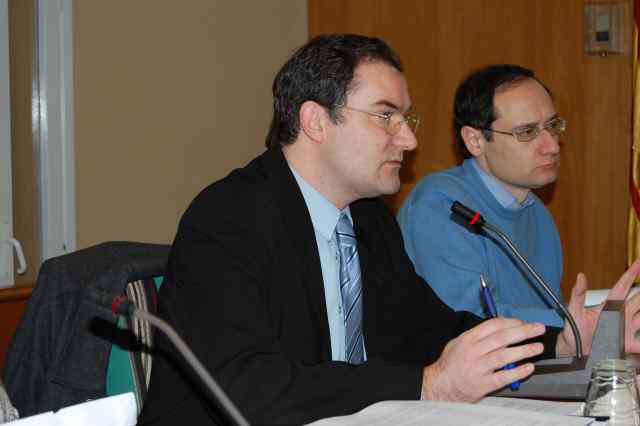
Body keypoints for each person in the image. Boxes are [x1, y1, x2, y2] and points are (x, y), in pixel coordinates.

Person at [139, 36, 640, 425]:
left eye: (406, 118)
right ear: (316, 121)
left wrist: (560, 344)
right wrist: (427, 385)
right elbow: (249, 387)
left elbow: (430, 330)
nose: (409, 139)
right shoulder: (228, 217)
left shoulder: (367, 218)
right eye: (386, 116)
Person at [398, 65, 566, 326]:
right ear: (475, 141)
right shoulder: (442, 207)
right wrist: (569, 323)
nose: (552, 146)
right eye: (527, 132)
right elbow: (469, 320)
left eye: (552, 126)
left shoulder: (538, 213)